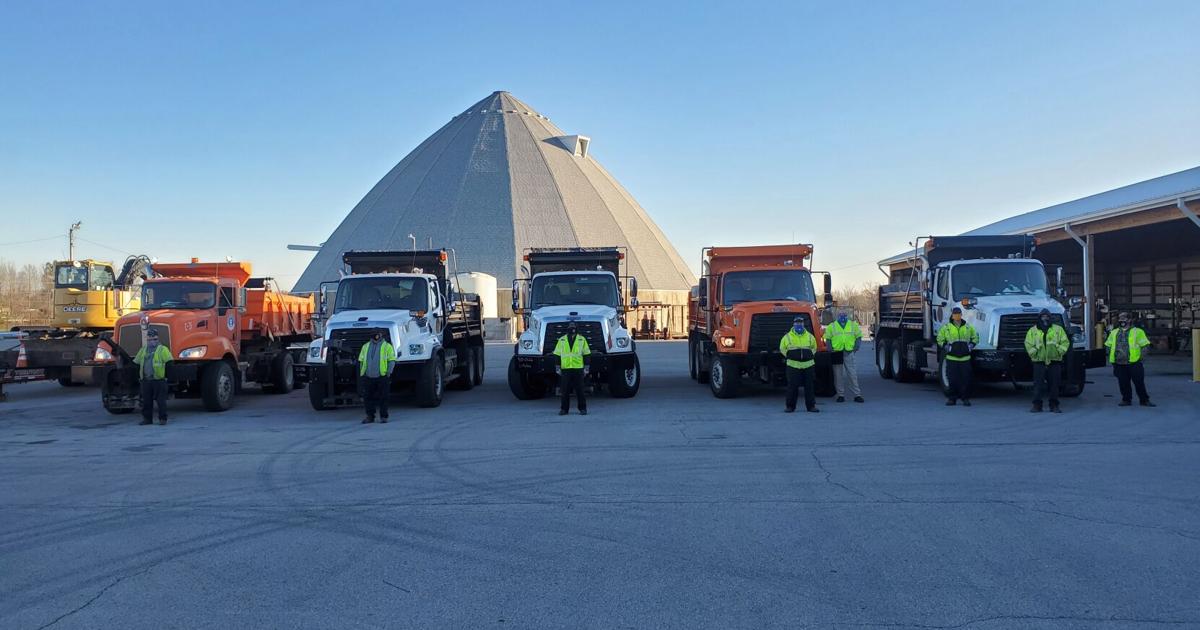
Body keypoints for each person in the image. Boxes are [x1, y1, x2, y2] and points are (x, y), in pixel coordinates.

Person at [1024, 308, 1069, 413]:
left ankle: (1054, 405)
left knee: (1054, 385)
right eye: (1043, 316)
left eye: (1047, 316)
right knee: (1038, 385)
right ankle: (1037, 405)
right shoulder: (1032, 330)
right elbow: (1028, 344)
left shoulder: (1058, 329)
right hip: (1039, 361)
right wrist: (1035, 352)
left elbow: (1065, 343)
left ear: (1050, 318)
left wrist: (1058, 352)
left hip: (1054, 361)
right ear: (1039, 318)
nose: (1045, 318)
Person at [1105, 312, 1155, 407]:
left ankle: (1144, 400)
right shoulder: (1114, 332)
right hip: (1119, 363)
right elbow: (1108, 345)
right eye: (1120, 319)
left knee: (1139, 382)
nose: (1122, 321)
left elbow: (1145, 346)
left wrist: (1141, 358)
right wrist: (1111, 358)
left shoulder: (1138, 332)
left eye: (1124, 319)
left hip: (1134, 362)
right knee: (1123, 382)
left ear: (1130, 320)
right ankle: (1126, 399)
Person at [936, 307, 978, 406]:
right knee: (952, 379)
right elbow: (939, 339)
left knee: (965, 380)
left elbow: (975, 337)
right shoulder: (946, 327)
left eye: (958, 313)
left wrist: (970, 346)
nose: (957, 315)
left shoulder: (968, 327)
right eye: (955, 314)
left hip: (965, 358)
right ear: (952, 315)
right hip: (951, 358)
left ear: (961, 314)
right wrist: (947, 347)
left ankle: (965, 399)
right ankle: (952, 399)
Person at [779, 316, 819, 413]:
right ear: (793, 324)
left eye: (800, 323)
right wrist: (790, 355)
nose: (799, 325)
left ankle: (811, 406)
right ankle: (790, 407)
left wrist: (808, 355)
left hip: (808, 365)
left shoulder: (810, 336)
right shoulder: (787, 337)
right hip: (793, 366)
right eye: (797, 323)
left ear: (803, 324)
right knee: (792, 387)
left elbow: (814, 347)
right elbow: (782, 348)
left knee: (809, 387)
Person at [134, 329, 172, 426]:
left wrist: (168, 377)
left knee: (161, 401)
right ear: (147, 340)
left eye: (154, 339)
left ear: (157, 339)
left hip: (159, 380)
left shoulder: (163, 349)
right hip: (146, 380)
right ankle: (147, 419)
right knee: (146, 401)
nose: (152, 341)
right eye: (150, 339)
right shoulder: (143, 350)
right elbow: (137, 363)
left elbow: (169, 363)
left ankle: (162, 419)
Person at [824, 310, 864, 403]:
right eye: (840, 315)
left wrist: (856, 347)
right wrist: (830, 349)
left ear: (847, 316)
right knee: (838, 375)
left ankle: (857, 395)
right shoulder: (832, 326)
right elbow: (828, 338)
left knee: (852, 374)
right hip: (836, 353)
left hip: (849, 352)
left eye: (844, 315)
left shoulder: (853, 325)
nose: (842, 316)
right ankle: (840, 395)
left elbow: (858, 336)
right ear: (837, 316)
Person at [357, 331, 396, 423]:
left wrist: (388, 372)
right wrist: (362, 373)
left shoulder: (387, 346)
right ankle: (370, 416)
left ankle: (383, 416)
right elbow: (361, 361)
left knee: (384, 397)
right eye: (375, 334)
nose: (377, 336)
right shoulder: (365, 346)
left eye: (378, 334)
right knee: (368, 397)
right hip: (368, 376)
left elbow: (392, 360)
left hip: (382, 376)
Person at [553, 322, 590, 415]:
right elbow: (557, 354)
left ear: (577, 329)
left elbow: (587, 354)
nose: (572, 329)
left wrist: (586, 367)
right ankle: (564, 409)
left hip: (578, 368)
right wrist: (557, 367)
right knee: (564, 390)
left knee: (580, 390)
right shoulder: (562, 340)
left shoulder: (582, 339)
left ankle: (583, 408)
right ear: (567, 329)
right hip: (566, 369)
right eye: (570, 327)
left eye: (574, 327)